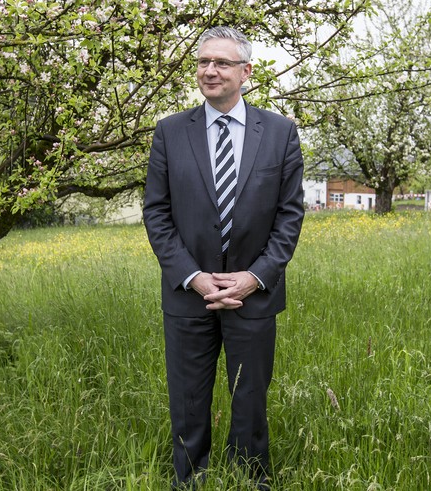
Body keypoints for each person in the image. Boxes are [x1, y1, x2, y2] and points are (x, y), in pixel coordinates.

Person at [143, 26, 305, 489]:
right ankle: (189, 480)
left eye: (221, 63)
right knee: (189, 400)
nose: (209, 71)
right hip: (188, 296)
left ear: (246, 72)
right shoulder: (170, 132)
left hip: (253, 297)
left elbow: (289, 217)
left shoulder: (279, 132)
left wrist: (255, 277)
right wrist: (192, 276)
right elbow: (156, 213)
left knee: (250, 400)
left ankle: (252, 480)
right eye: (202, 62)